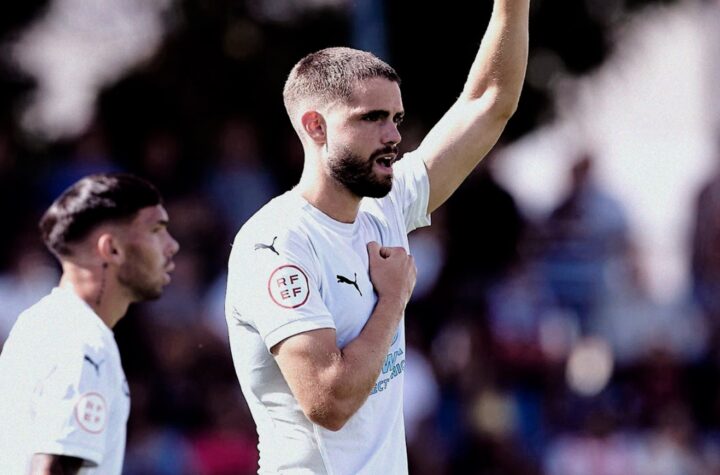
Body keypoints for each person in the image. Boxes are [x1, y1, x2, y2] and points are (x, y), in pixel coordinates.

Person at [225, 0, 529, 472]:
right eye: (372, 118)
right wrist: (392, 300)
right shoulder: (277, 242)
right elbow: (329, 402)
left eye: (396, 118)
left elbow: (490, 102)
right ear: (316, 127)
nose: (393, 136)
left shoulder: (385, 205)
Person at [0, 173, 179, 475]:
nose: (171, 245)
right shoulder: (85, 344)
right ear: (112, 249)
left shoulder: (41, 321)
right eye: (157, 229)